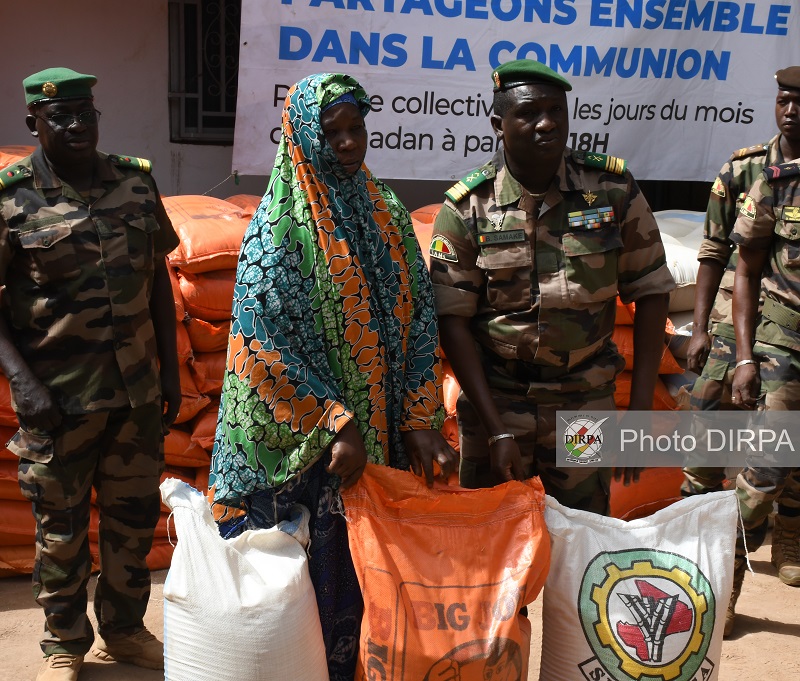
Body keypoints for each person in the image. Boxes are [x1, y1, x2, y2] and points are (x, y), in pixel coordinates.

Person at [210, 72, 458, 681]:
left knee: (375, 600)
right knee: (306, 613)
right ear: (302, 137)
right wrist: (335, 423)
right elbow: (260, 349)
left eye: (357, 128)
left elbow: (419, 319)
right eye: (333, 131)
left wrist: (422, 416)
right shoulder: (277, 230)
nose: (349, 143)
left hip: (379, 442)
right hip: (305, 452)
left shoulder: (385, 212)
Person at [429, 59, 674, 514]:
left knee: (581, 536)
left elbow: (651, 290)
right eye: (529, 113)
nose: (547, 123)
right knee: (494, 546)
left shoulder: (611, 190)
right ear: (498, 125)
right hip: (498, 402)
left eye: (557, 111)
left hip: (583, 404)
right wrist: (496, 429)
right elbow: (452, 320)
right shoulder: (469, 207)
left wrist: (640, 408)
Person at [0, 68, 181, 680]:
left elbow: (158, 281)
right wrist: (22, 383)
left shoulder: (135, 184)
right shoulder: (11, 197)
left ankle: (124, 632)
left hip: (134, 394)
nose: (78, 125)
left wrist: (171, 370)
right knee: (62, 531)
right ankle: (63, 646)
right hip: (56, 398)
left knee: (132, 522)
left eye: (87, 113)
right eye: (61, 117)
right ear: (34, 124)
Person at [682, 67, 800, 522]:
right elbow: (713, 251)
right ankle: (693, 520)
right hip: (736, 312)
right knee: (708, 414)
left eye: (799, 102)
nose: (789, 112)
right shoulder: (744, 168)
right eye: (783, 100)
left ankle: (787, 528)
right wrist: (700, 328)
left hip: (785, 321)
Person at [727, 145, 800, 634]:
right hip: (784, 348)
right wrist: (746, 356)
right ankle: (721, 583)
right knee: (764, 473)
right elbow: (748, 271)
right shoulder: (778, 184)